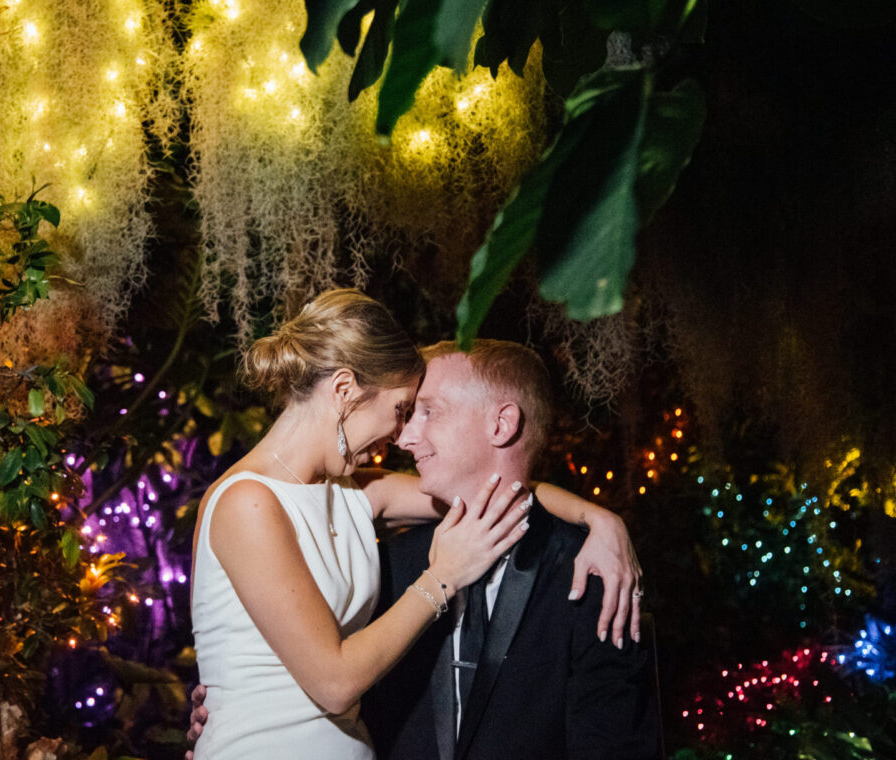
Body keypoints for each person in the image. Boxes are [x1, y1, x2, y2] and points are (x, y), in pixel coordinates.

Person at [188, 290, 641, 759]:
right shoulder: (248, 502)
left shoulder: (357, 493)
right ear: (344, 391)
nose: (400, 436)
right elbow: (335, 683)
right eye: (401, 409)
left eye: (415, 412)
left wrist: (600, 520)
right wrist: (441, 579)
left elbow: (495, 490)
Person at [361, 340, 661, 759]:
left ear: (502, 425)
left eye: (429, 411)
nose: (405, 437)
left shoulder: (590, 573)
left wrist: (602, 521)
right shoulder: (391, 564)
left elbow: (611, 745)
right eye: (410, 415)